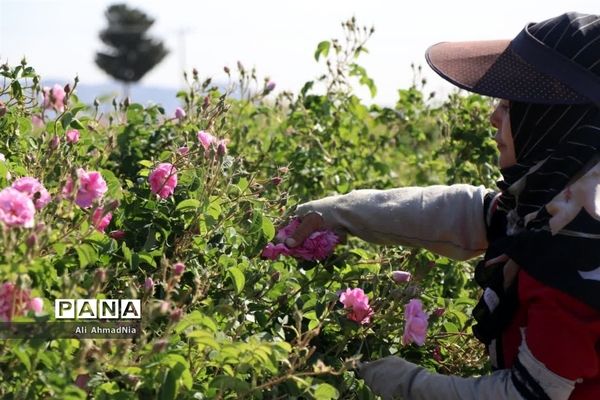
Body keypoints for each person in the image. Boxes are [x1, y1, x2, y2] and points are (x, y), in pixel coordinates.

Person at [286, 12, 600, 400]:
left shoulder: (577, 255)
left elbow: (527, 396)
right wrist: (341, 212)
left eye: (511, 105)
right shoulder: (561, 205)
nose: (493, 117)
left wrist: (404, 383)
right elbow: (470, 213)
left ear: (555, 121)